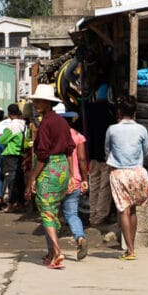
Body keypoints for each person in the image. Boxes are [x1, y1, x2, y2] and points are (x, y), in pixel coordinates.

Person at [24, 85, 75, 269]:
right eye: (35, 101)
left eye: (39, 101)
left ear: (48, 103)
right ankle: (52, 254)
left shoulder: (46, 123)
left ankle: (57, 251)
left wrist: (32, 179)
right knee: (53, 210)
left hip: (50, 168)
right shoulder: (62, 122)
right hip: (62, 168)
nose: (36, 104)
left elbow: (43, 155)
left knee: (47, 211)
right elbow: (70, 148)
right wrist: (71, 175)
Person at [105, 95, 148, 260]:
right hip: (138, 172)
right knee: (133, 209)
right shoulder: (142, 129)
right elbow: (146, 151)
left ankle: (130, 249)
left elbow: (107, 150)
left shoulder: (112, 129)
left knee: (123, 210)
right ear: (134, 112)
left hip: (120, 172)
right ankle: (132, 246)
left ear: (119, 112)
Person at [57, 105, 89, 260]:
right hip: (75, 180)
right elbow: (82, 159)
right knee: (72, 214)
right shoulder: (78, 136)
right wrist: (84, 179)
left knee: (52, 214)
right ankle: (80, 238)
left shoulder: (54, 137)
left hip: (56, 179)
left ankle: (54, 250)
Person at [84, 87, 118, 226]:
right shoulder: (111, 112)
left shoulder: (89, 110)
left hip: (92, 155)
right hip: (105, 157)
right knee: (104, 188)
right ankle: (100, 216)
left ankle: (92, 216)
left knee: (94, 186)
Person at [0, 104, 27, 213]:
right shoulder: (23, 124)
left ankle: (10, 204)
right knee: (19, 181)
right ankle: (21, 203)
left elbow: (1, 140)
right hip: (20, 155)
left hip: (10, 156)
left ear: (9, 114)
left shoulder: (12, 126)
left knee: (11, 181)